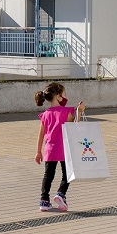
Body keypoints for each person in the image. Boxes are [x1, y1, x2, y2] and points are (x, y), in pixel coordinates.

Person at [35, 82, 86, 212]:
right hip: (64, 148)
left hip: (49, 149)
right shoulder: (67, 111)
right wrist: (79, 112)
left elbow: (41, 135)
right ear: (58, 96)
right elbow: (73, 128)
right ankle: (61, 193)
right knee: (67, 173)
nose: (65, 97)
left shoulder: (45, 114)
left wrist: (38, 152)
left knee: (48, 175)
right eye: (64, 95)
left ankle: (44, 200)